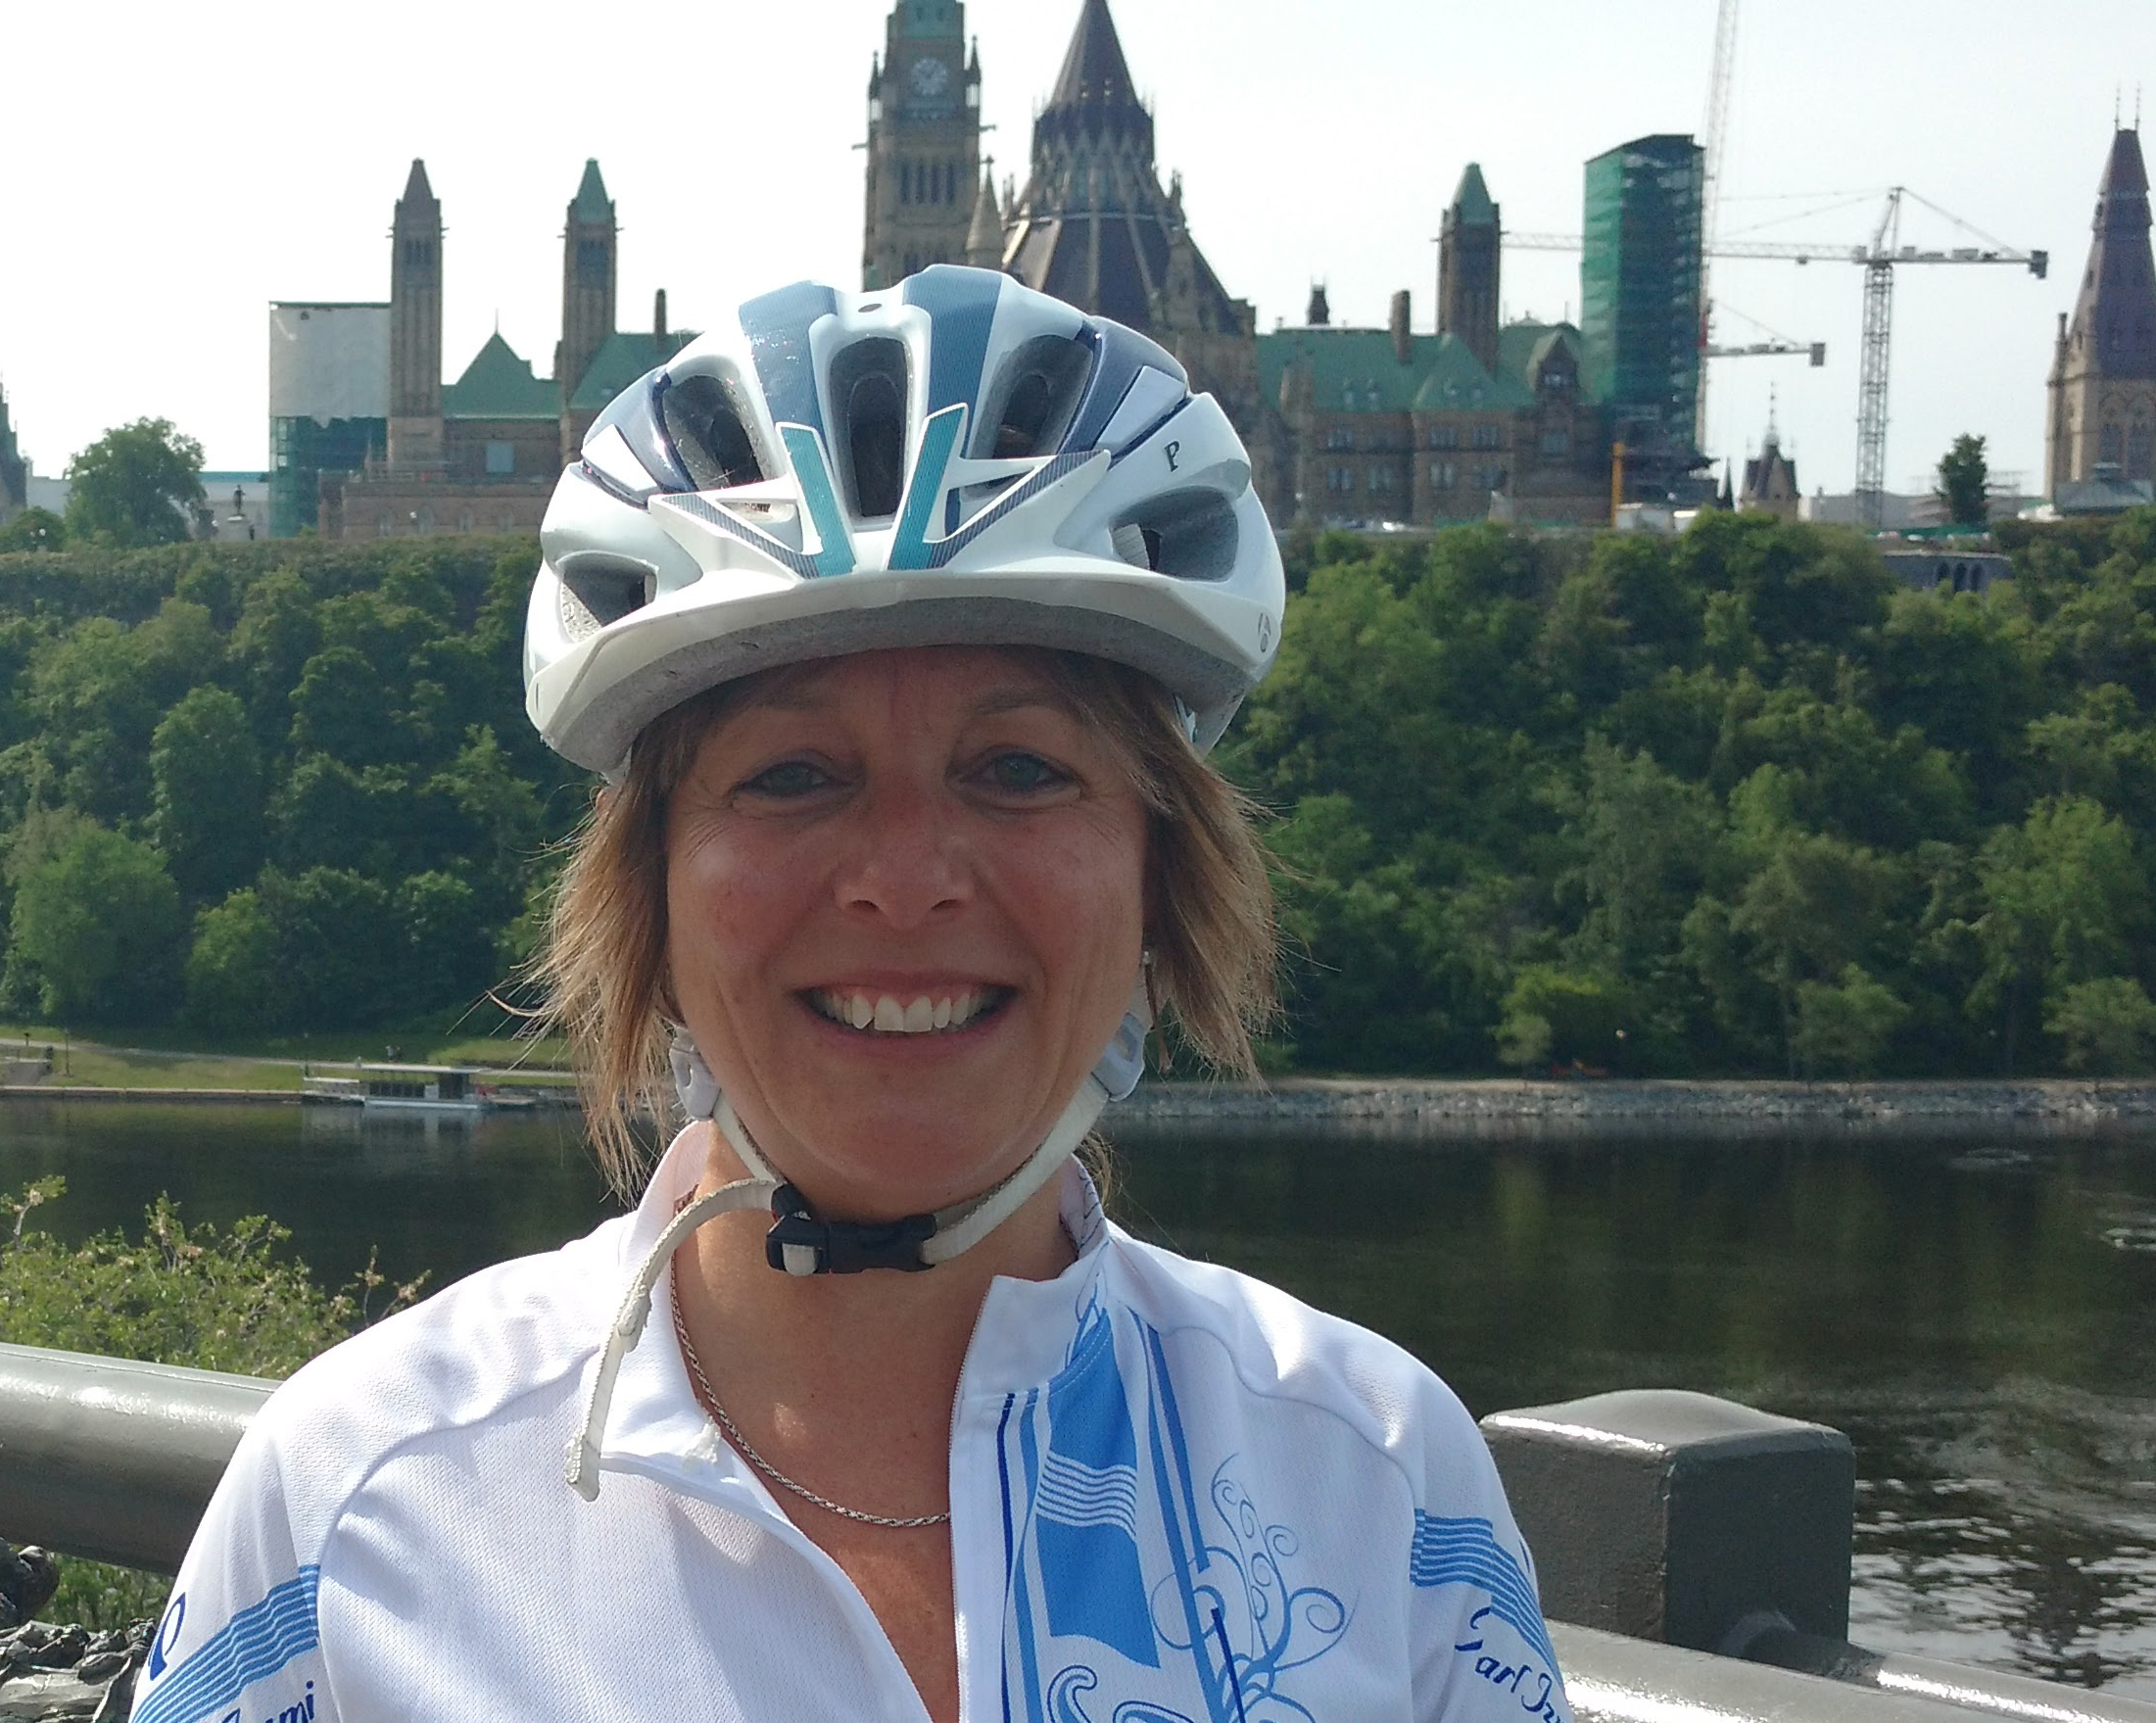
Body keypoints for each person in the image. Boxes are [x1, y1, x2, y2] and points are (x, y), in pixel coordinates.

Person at [144, 267, 1558, 1723]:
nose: (903, 879)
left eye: (1020, 769)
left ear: (1158, 871)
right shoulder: (355, 1508)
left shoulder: (1378, 1485)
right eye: (792, 778)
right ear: (652, 891)